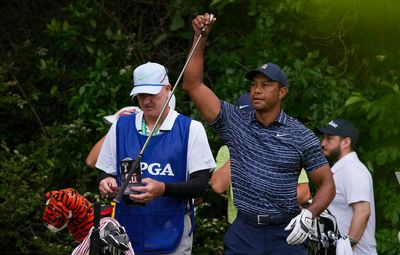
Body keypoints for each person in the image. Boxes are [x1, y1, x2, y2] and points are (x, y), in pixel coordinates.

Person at [183, 13, 335, 254]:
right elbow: (193, 84)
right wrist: (200, 37)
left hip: (286, 231)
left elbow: (327, 183)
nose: (257, 90)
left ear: (282, 92)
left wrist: (309, 213)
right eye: (253, 84)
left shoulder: (301, 135)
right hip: (244, 230)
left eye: (266, 85)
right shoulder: (235, 121)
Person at [95, 62, 216, 255]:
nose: (146, 101)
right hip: (125, 233)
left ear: (168, 89)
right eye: (141, 95)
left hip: (172, 229)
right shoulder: (120, 127)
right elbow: (104, 171)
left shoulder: (190, 129)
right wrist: (105, 181)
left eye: (152, 94)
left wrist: (163, 189)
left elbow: (201, 185)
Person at [211, 93, 311, 224]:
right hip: (242, 229)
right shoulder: (226, 150)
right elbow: (218, 186)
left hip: (278, 226)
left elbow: (304, 193)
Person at [316, 119, 377, 254]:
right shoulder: (342, 169)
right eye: (324, 138)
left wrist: (346, 249)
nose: (322, 143)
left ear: (346, 142)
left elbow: (362, 212)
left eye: (329, 139)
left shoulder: (353, 170)